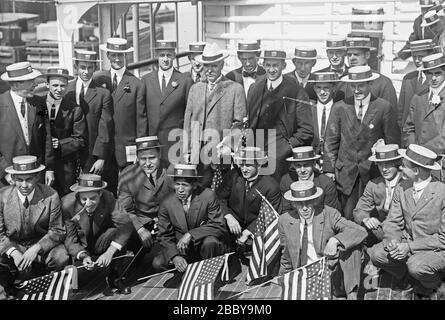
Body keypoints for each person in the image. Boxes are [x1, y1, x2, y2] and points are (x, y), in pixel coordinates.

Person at [368, 144, 445, 299]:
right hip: (406, 244)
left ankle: (435, 284)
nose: (401, 168)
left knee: (416, 266)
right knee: (376, 254)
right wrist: (393, 241)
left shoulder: (441, 192)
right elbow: (392, 222)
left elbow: (443, 239)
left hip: (435, 249)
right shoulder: (402, 187)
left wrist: (409, 247)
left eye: (404, 166)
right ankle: (410, 280)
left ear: (416, 171)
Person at [324, 66, 400, 220]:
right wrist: (329, 170)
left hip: (372, 172)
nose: (356, 90)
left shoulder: (383, 107)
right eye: (353, 86)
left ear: (370, 84)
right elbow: (331, 141)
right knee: (347, 215)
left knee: (371, 216)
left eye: (361, 85)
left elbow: (393, 140)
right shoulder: (340, 107)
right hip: (346, 173)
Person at [279, 180, 367, 300]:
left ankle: (352, 293)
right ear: (293, 204)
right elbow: (286, 254)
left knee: (352, 247)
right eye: (300, 204)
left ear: (315, 201)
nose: (305, 208)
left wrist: (335, 240)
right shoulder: (285, 220)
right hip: (305, 276)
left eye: (308, 203)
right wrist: (285, 280)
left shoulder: (328, 213)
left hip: (328, 272)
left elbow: (360, 231)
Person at [0, 156, 68, 299]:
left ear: (37, 177)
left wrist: (36, 248)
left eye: (29, 179)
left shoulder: (51, 195)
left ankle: (47, 286)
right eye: (19, 179)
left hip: (41, 244)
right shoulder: (2, 196)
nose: (24, 185)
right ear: (12, 178)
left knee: (61, 257)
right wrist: (13, 252)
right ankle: (10, 286)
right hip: (13, 244)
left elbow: (57, 230)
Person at [247, 50, 313, 180]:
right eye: (268, 65)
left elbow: (306, 130)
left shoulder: (296, 91)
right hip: (257, 149)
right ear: (263, 65)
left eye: (275, 65)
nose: (271, 70)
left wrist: (286, 148)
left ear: (284, 66)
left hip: (282, 154)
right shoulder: (254, 88)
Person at [152, 164, 229, 276]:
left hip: (204, 244)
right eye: (177, 184)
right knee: (158, 264)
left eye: (185, 185)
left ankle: (208, 273)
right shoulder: (166, 201)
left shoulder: (208, 195)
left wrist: (190, 235)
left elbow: (218, 225)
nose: (180, 190)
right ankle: (188, 270)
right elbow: (164, 235)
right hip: (182, 248)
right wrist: (175, 256)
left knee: (210, 242)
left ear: (194, 185)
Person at [62, 174, 133, 294]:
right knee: (77, 280)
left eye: (93, 198)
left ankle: (115, 277)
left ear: (100, 193)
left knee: (117, 233)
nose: (88, 203)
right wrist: (83, 256)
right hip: (81, 246)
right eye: (84, 199)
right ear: (78, 195)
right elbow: (70, 238)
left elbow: (125, 224)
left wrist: (110, 252)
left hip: (101, 240)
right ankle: (80, 272)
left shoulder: (108, 197)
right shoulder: (66, 205)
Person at [183, 42, 246, 165]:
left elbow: (239, 124)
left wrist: (228, 145)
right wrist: (187, 150)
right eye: (206, 66)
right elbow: (188, 121)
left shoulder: (235, 89)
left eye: (214, 66)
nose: (209, 70)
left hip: (221, 153)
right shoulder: (195, 88)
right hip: (197, 152)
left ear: (222, 65)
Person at [94, 37, 147, 171]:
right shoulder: (97, 80)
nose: (117, 59)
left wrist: (140, 150)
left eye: (120, 55)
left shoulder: (136, 84)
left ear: (126, 56)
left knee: (128, 187)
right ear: (107, 55)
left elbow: (141, 121)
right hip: (103, 149)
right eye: (113, 55)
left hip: (127, 148)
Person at [67, 49, 115, 192]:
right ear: (76, 67)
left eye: (89, 68)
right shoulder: (66, 90)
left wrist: (101, 157)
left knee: (91, 192)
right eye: (82, 67)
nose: (86, 72)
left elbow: (105, 127)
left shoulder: (103, 94)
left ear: (95, 68)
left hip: (91, 154)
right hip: (69, 154)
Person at [0, 61, 55, 188]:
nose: (35, 84)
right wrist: (4, 172)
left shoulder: (40, 103)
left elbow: (47, 136)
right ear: (16, 84)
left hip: (36, 174)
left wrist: (49, 168)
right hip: (9, 178)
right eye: (30, 81)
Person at [217, 147, 281, 249]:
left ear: (259, 165)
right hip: (232, 223)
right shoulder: (233, 175)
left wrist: (249, 231)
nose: (244, 169)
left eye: (249, 165)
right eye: (242, 165)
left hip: (257, 226)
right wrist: (228, 216)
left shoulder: (271, 186)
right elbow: (219, 198)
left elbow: (270, 215)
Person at [118, 136, 171, 255]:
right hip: (143, 222)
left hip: (168, 223)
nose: (147, 164)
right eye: (143, 159)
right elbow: (125, 210)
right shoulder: (127, 176)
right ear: (137, 158)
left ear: (160, 154)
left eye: (152, 158)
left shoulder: (171, 170)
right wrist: (139, 229)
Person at [39, 66, 87, 196]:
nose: (59, 90)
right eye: (55, 85)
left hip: (65, 167)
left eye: (63, 86)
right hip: (41, 165)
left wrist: (60, 144)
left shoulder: (74, 109)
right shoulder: (37, 105)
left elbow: (80, 139)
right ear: (46, 84)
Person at [142, 40, 193, 162]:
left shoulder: (185, 81)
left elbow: (189, 116)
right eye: (162, 55)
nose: (165, 59)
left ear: (174, 56)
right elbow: (141, 114)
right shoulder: (146, 80)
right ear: (157, 57)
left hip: (175, 144)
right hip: (152, 144)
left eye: (169, 55)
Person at [353, 144, 403, 246]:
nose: (384, 169)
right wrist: (366, 219)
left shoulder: (406, 184)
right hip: (379, 230)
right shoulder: (373, 184)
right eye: (380, 165)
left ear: (397, 163)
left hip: (401, 233)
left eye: (388, 164)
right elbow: (359, 210)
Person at [403, 52, 445, 157]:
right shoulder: (418, 97)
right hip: (419, 158)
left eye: (438, 73)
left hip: (441, 159)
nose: (434, 78)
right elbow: (409, 127)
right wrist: (413, 149)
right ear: (425, 74)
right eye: (430, 74)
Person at [345, 37, 398, 115]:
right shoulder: (345, 80)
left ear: (367, 55)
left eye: (356, 54)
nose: (352, 58)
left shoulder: (383, 82)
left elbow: (390, 115)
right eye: (349, 55)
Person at [280, 146, 340, 213]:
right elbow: (286, 210)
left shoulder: (326, 183)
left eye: (306, 165)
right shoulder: (286, 181)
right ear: (293, 165)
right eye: (298, 166)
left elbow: (330, 213)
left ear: (314, 164)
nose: (302, 170)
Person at [398, 39, 436, 129]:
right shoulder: (408, 78)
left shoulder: (437, 79)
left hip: (428, 135)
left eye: (421, 56)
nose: (417, 60)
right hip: (407, 133)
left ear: (430, 55)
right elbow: (401, 109)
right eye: (414, 57)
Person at [307, 71, 340, 169]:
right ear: (314, 88)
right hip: (312, 165)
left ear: (333, 88)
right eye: (318, 88)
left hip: (334, 165)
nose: (322, 92)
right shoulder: (308, 109)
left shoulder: (340, 109)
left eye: (326, 88)